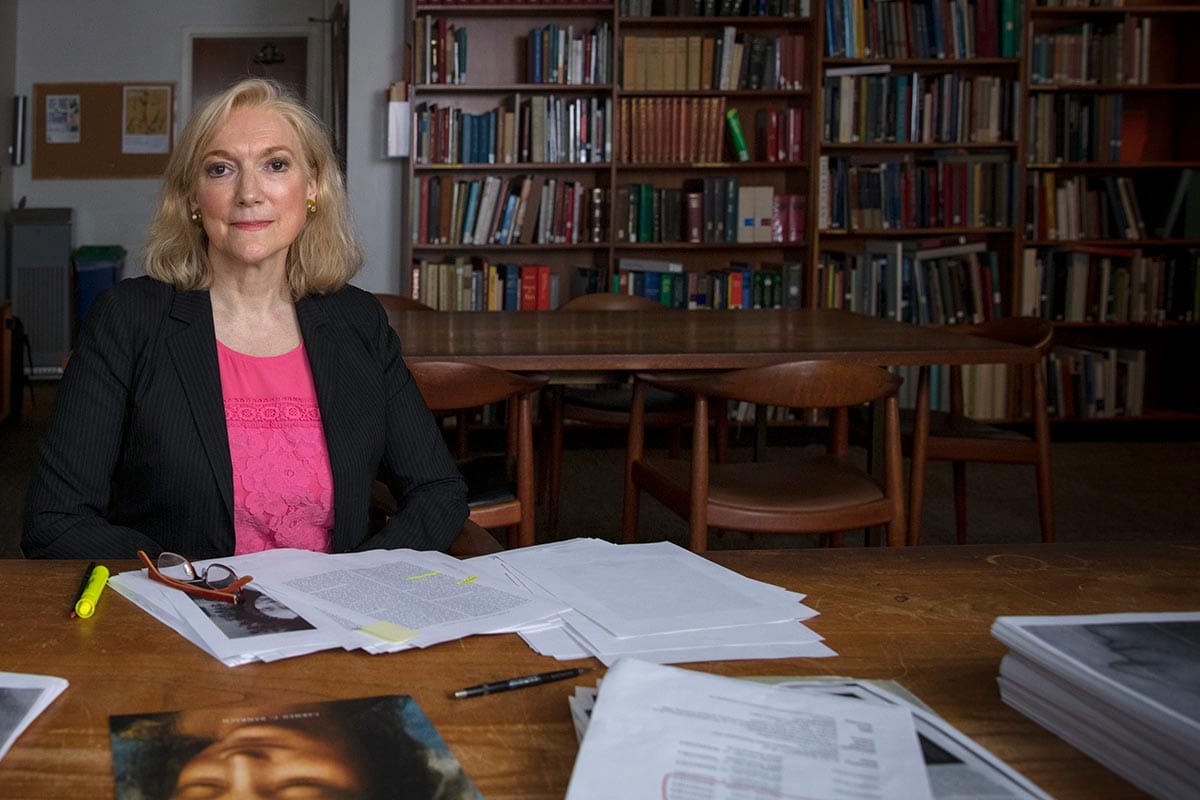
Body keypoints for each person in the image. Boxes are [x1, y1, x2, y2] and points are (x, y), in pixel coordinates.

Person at [22, 78, 468, 560]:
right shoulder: (128, 319)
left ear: (313, 186)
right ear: (194, 197)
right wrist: (186, 583)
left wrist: (360, 582)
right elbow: (56, 521)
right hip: (185, 617)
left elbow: (438, 490)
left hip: (330, 623)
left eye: (276, 165)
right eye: (220, 169)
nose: (249, 193)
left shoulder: (358, 321)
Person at [109, 695, 481, 799]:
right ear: (384, 772)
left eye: (204, 790)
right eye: (300, 788)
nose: (240, 762)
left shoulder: (132, 719)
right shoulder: (437, 702)